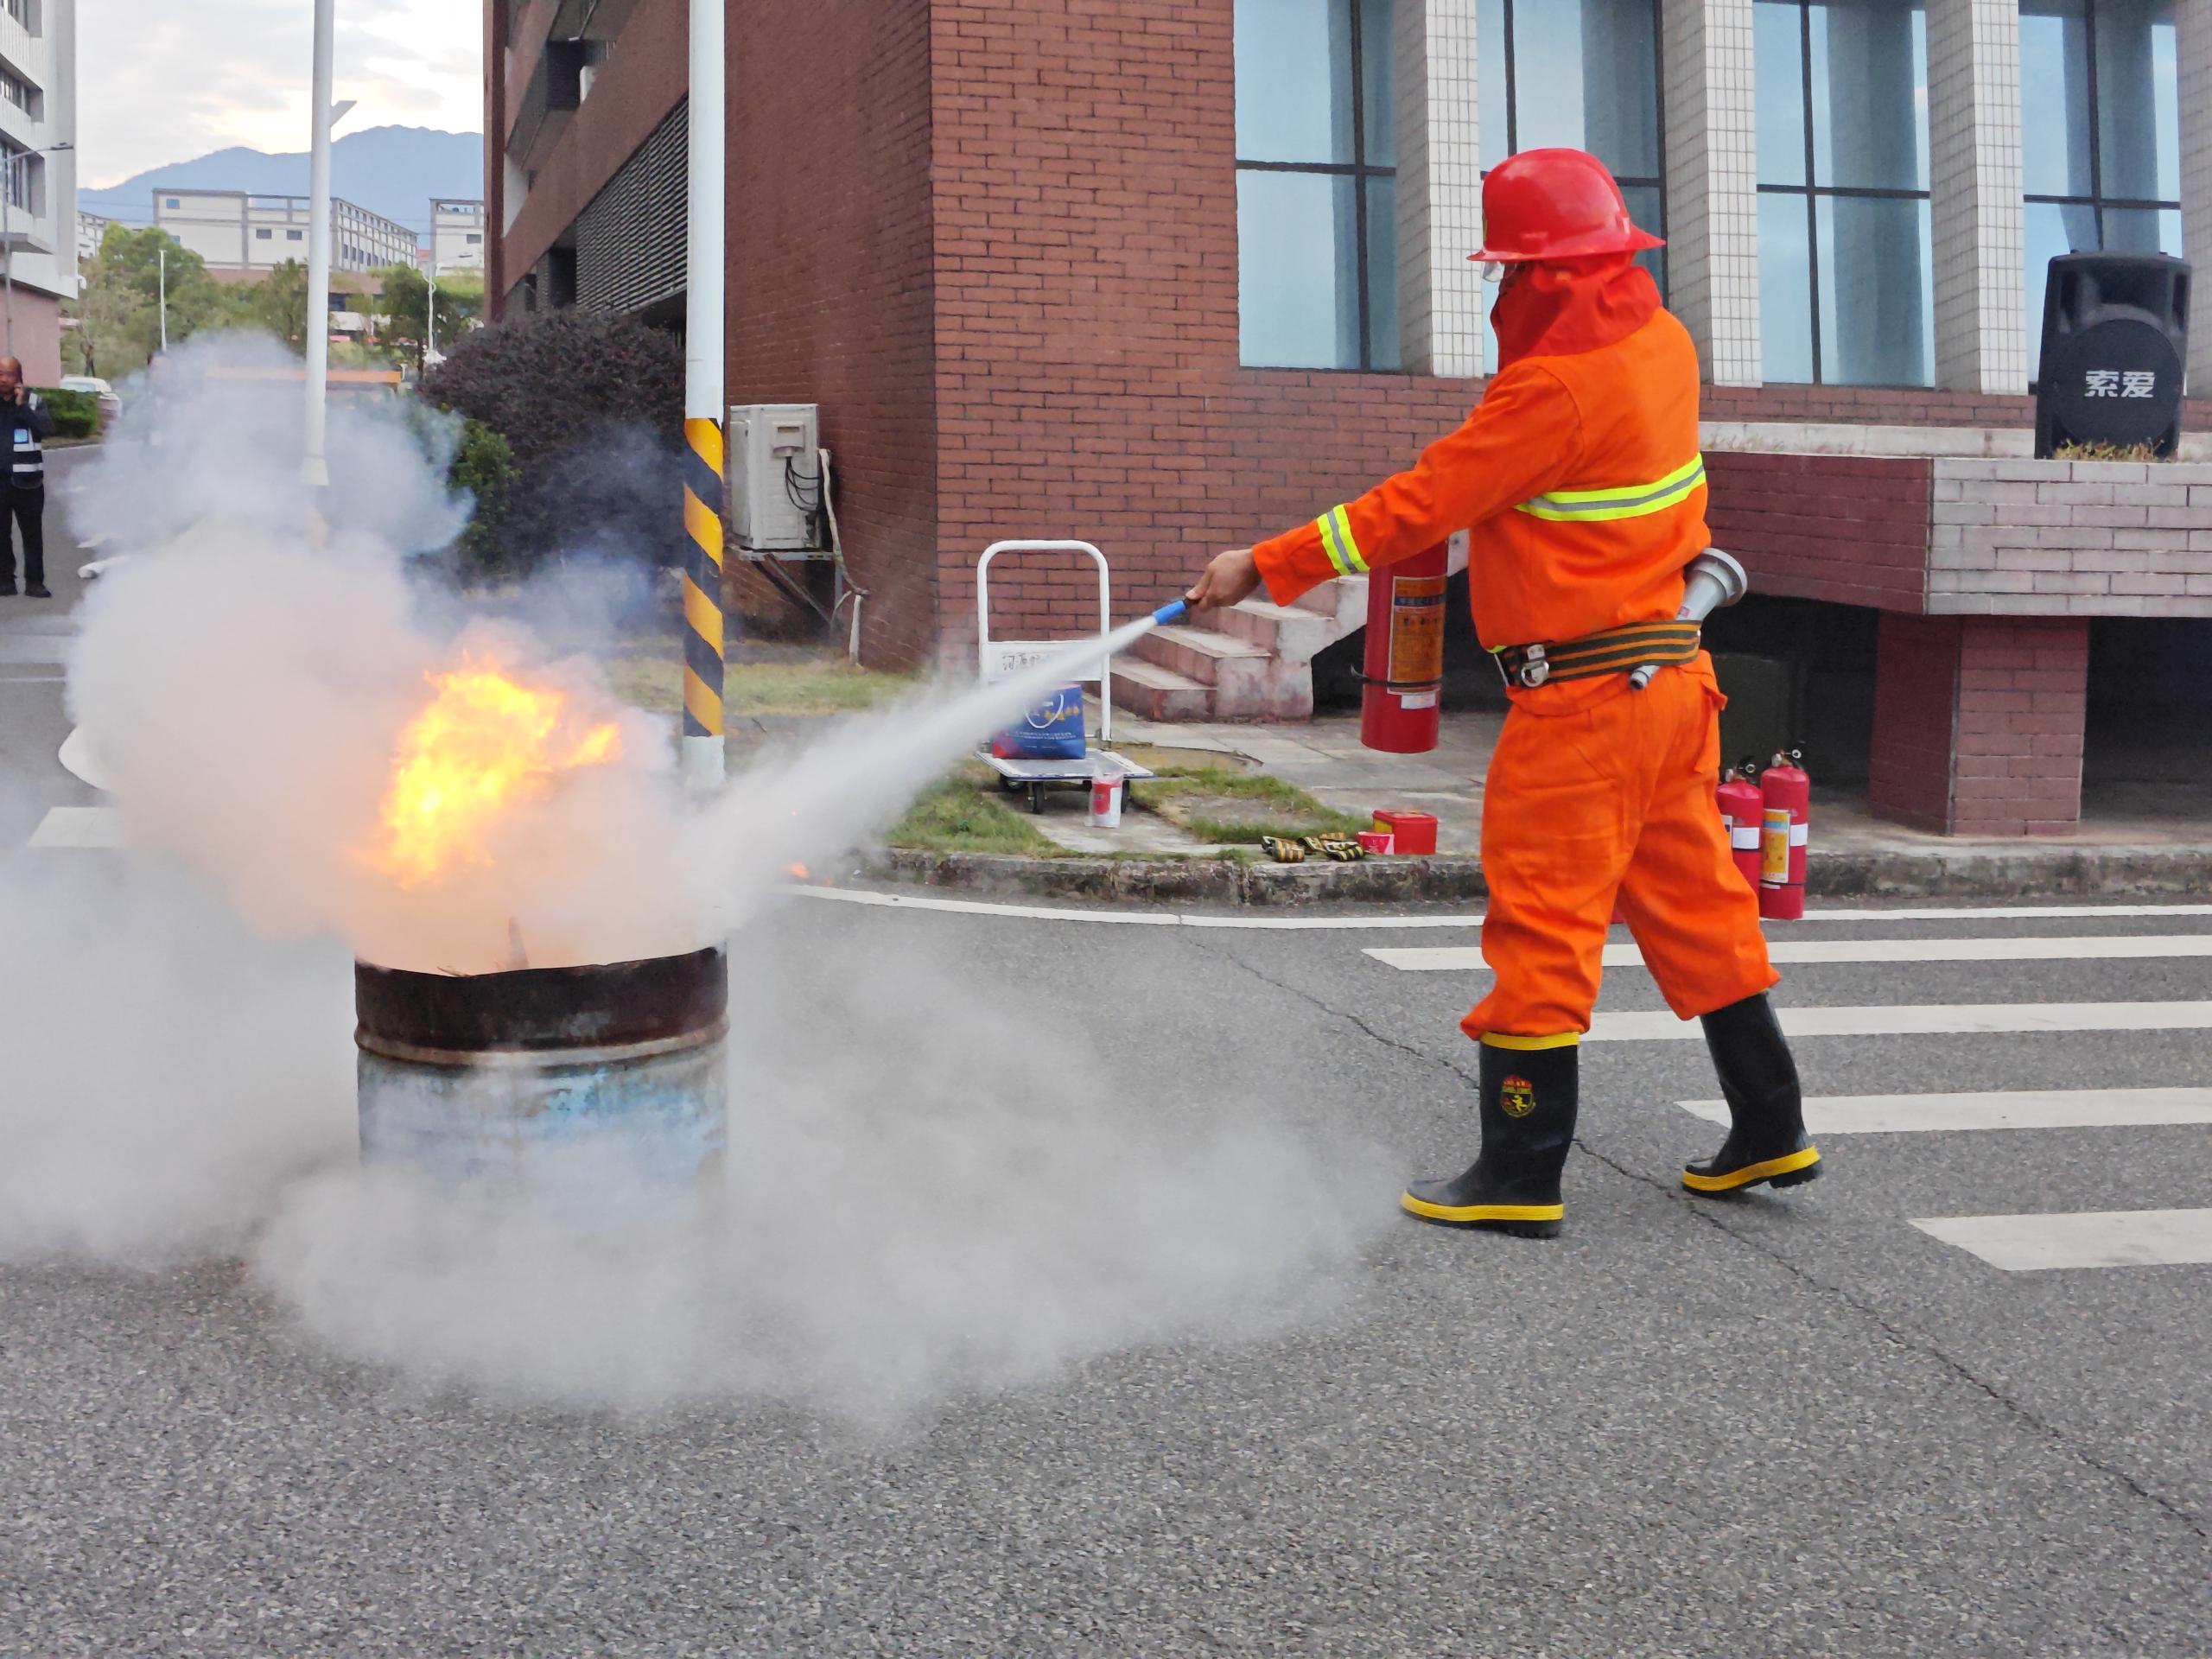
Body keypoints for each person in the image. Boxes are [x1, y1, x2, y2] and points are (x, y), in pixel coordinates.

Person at [1185, 149, 1821, 1238]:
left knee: (1541, 924)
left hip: (1583, 709)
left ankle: (1519, 1172)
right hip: (1674, 687)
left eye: (1511, 272)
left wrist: (1266, 562)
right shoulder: (1664, 343)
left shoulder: (1552, 393)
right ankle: (1770, 1124)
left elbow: (1422, 501)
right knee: (1699, 911)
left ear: (1547, 274)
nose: (1502, 290)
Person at [0, 357, 55, 599]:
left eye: (9, 374)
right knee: (1, 534)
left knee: (32, 534)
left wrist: (22, 406)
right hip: (1, 481)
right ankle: (5, 581)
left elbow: (46, 429)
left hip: (28, 481)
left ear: (19, 377)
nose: (4, 379)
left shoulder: (34, 401)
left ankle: (35, 582)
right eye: (0, 374)